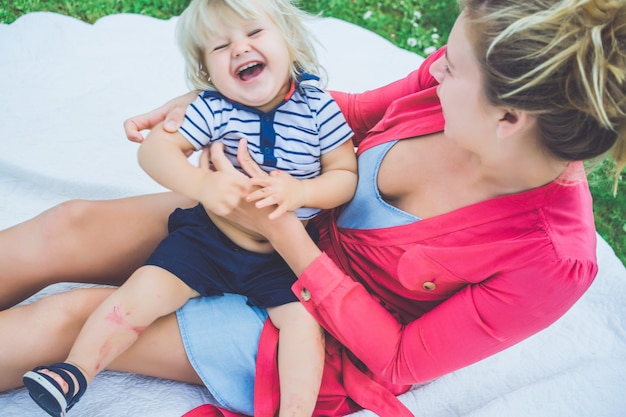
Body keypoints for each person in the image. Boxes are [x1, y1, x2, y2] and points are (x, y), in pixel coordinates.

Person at [1, 0, 625, 416]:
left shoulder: (550, 259)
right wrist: (231, 94)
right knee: (72, 223)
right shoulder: (449, 93)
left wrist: (283, 233)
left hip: (318, 327)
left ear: (509, 118)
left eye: (452, 69)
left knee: (74, 320)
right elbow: (340, 115)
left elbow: (401, 360)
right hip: (285, 209)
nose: (432, 72)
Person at [20, 1, 356, 417]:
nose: (238, 49)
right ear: (205, 71)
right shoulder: (215, 107)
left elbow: (344, 174)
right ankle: (75, 372)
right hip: (209, 240)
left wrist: (302, 193)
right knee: (141, 293)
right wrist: (201, 183)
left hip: (283, 255)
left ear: (288, 41)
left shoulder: (318, 108)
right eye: (219, 46)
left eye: (253, 34)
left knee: (305, 325)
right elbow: (156, 152)